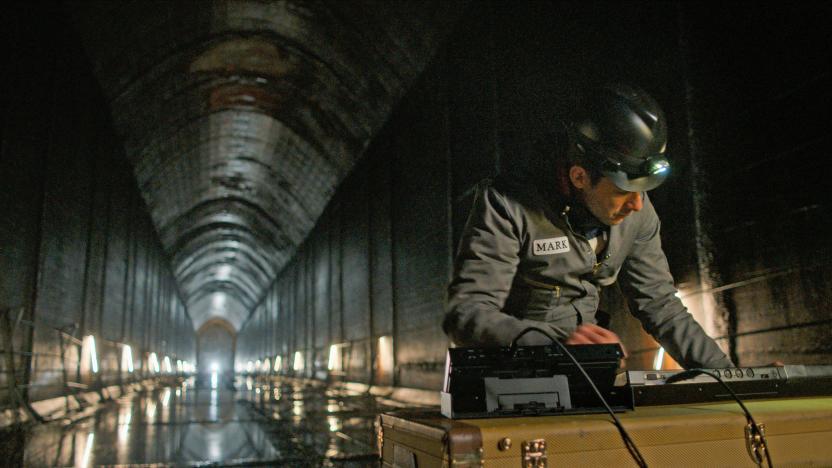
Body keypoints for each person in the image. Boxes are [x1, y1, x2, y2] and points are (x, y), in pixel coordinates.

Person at [442, 83, 733, 369]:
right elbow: (467, 313)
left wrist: (732, 377)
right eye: (623, 191)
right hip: (512, 378)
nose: (637, 205)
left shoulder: (637, 212)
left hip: (588, 377)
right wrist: (549, 344)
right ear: (579, 176)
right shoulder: (507, 205)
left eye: (642, 190)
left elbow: (662, 307)